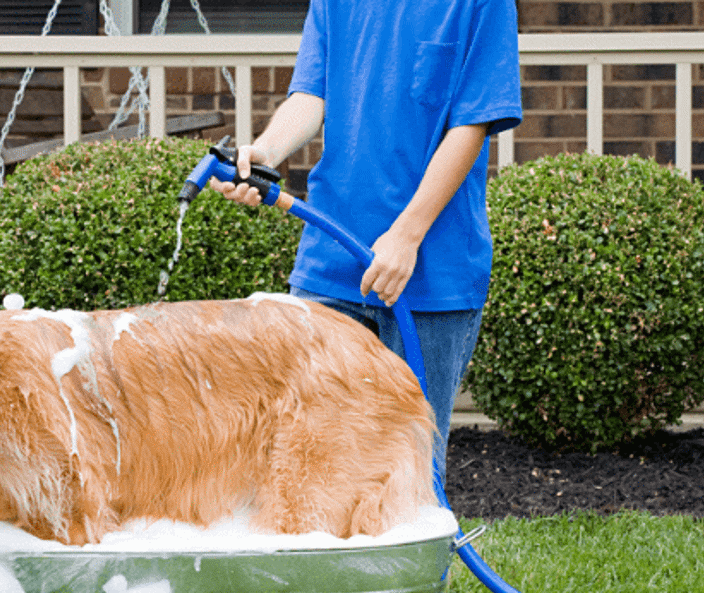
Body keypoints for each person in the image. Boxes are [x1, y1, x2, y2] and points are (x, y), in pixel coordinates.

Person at [211, 0, 522, 482]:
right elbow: (311, 95)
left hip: (431, 274)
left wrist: (406, 235)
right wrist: (264, 153)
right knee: (309, 466)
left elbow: (471, 126)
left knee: (408, 478)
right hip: (330, 263)